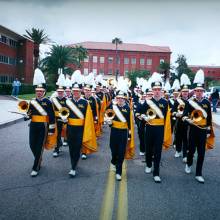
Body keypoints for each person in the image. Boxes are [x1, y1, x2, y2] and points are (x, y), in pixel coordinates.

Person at [136, 72, 172, 183]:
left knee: (158, 151)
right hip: (149, 128)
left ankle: (156, 172)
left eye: (159, 89)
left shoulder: (165, 103)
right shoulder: (147, 102)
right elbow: (137, 112)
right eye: (155, 89)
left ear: (161, 91)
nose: (157, 91)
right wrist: (142, 116)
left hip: (160, 129)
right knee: (148, 148)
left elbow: (167, 119)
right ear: (152, 90)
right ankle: (148, 164)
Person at [182, 69, 215, 183]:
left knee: (201, 153)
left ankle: (198, 173)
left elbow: (209, 118)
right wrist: (188, 120)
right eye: (197, 91)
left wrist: (208, 131)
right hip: (193, 130)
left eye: (201, 91)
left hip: (202, 130)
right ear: (194, 91)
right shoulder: (189, 102)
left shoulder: (206, 102)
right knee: (191, 151)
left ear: (203, 91)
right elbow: (184, 116)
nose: (199, 93)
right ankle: (189, 163)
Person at [66, 70, 97, 177]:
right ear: (72, 91)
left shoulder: (85, 102)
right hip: (70, 128)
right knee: (71, 148)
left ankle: (73, 167)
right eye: (74, 91)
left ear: (80, 91)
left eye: (77, 91)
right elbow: (63, 114)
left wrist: (86, 130)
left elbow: (88, 119)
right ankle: (73, 163)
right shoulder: (67, 101)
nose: (75, 93)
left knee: (77, 148)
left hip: (80, 129)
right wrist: (64, 119)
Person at [25, 68, 55, 177]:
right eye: (37, 91)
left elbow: (52, 117)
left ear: (44, 92)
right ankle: (38, 158)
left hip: (44, 126)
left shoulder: (48, 101)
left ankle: (36, 167)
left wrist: (52, 130)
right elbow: (29, 112)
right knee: (32, 144)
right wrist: (27, 116)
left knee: (39, 146)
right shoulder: (32, 101)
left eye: (41, 91)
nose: (39, 93)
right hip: (33, 125)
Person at [107, 78, 134, 181]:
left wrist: (130, 135)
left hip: (123, 132)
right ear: (116, 98)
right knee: (113, 149)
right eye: (118, 98)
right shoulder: (112, 105)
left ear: (124, 98)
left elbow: (130, 123)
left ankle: (119, 171)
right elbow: (106, 114)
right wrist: (108, 121)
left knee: (121, 151)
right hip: (114, 131)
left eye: (121, 98)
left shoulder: (128, 108)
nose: (120, 100)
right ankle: (113, 161)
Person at [172, 74, 191, 162]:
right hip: (179, 122)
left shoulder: (191, 101)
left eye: (186, 92)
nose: (185, 93)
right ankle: (178, 151)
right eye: (183, 92)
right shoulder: (177, 101)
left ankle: (185, 155)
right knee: (178, 137)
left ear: (188, 92)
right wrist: (176, 114)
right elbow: (172, 111)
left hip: (188, 123)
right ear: (181, 92)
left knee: (186, 139)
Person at [51, 73, 67, 157]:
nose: (60, 93)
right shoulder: (54, 99)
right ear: (57, 92)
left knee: (62, 133)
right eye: (59, 92)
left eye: (61, 92)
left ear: (63, 92)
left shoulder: (67, 100)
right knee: (56, 134)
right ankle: (56, 149)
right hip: (55, 119)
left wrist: (65, 118)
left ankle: (60, 143)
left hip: (63, 119)